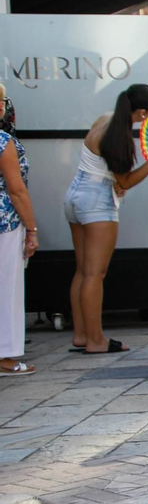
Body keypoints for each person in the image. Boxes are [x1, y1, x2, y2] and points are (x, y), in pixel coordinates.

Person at [65, 83, 148, 355]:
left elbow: (106, 169)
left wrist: (116, 180)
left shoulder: (104, 118)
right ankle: (96, 340)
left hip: (75, 195)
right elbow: (127, 180)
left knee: (82, 270)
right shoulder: (118, 136)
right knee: (95, 275)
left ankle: (81, 335)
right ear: (143, 112)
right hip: (97, 203)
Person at [0, 84, 37, 376]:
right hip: (5, 223)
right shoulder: (3, 142)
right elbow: (16, 190)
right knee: (7, 287)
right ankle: (5, 356)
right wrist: (32, 228)